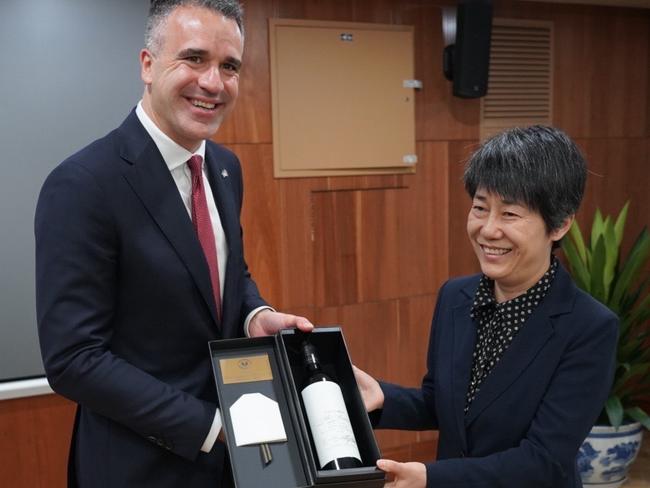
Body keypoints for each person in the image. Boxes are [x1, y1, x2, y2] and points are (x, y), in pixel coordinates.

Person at [34, 1, 312, 486]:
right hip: (138, 466)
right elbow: (74, 360)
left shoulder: (225, 168)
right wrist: (212, 427)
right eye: (195, 58)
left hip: (234, 462)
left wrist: (255, 314)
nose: (213, 82)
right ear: (147, 64)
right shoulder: (83, 184)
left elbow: (224, 274)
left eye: (229, 67)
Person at [354, 126, 618, 488]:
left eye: (510, 214)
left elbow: (543, 461)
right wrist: (383, 399)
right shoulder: (455, 298)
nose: (488, 230)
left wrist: (431, 477)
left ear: (559, 224)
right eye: (480, 208)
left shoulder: (589, 327)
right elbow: (447, 405)